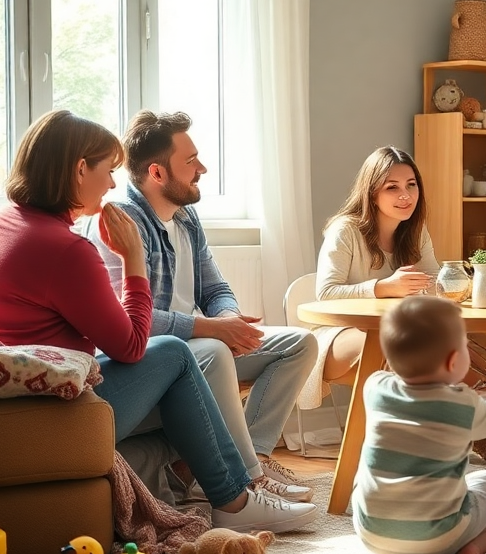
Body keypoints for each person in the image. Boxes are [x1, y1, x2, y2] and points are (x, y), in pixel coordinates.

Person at [0, 109, 318, 533]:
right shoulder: (67, 249)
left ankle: (216, 478)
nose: (112, 184)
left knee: (194, 391)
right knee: (177, 355)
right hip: (48, 411)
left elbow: (206, 291)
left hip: (14, 403)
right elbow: (129, 347)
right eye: (108, 170)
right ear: (79, 169)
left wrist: (227, 321)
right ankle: (235, 501)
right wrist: (134, 260)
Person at [80, 110, 315, 503]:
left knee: (299, 344)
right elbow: (131, 322)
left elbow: (215, 286)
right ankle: (249, 480)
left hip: (201, 343)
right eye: (191, 161)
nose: (202, 169)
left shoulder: (185, 216)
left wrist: (228, 319)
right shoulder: (121, 222)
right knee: (215, 349)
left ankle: (253, 454)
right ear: (157, 173)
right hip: (153, 358)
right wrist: (213, 330)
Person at [310, 145, 486, 463]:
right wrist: (384, 287)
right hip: (339, 337)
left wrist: (455, 287)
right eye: (392, 187)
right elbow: (326, 293)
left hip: (401, 333)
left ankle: (479, 433)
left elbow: (436, 283)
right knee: (408, 350)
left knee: (468, 347)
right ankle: (421, 445)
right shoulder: (345, 231)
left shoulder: (415, 231)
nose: (405, 195)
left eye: (411, 185)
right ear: (371, 193)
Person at [352, 295, 486, 554]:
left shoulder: (375, 387)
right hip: (438, 543)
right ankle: (474, 543)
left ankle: (395, 546)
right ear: (453, 361)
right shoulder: (463, 404)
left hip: (372, 536)